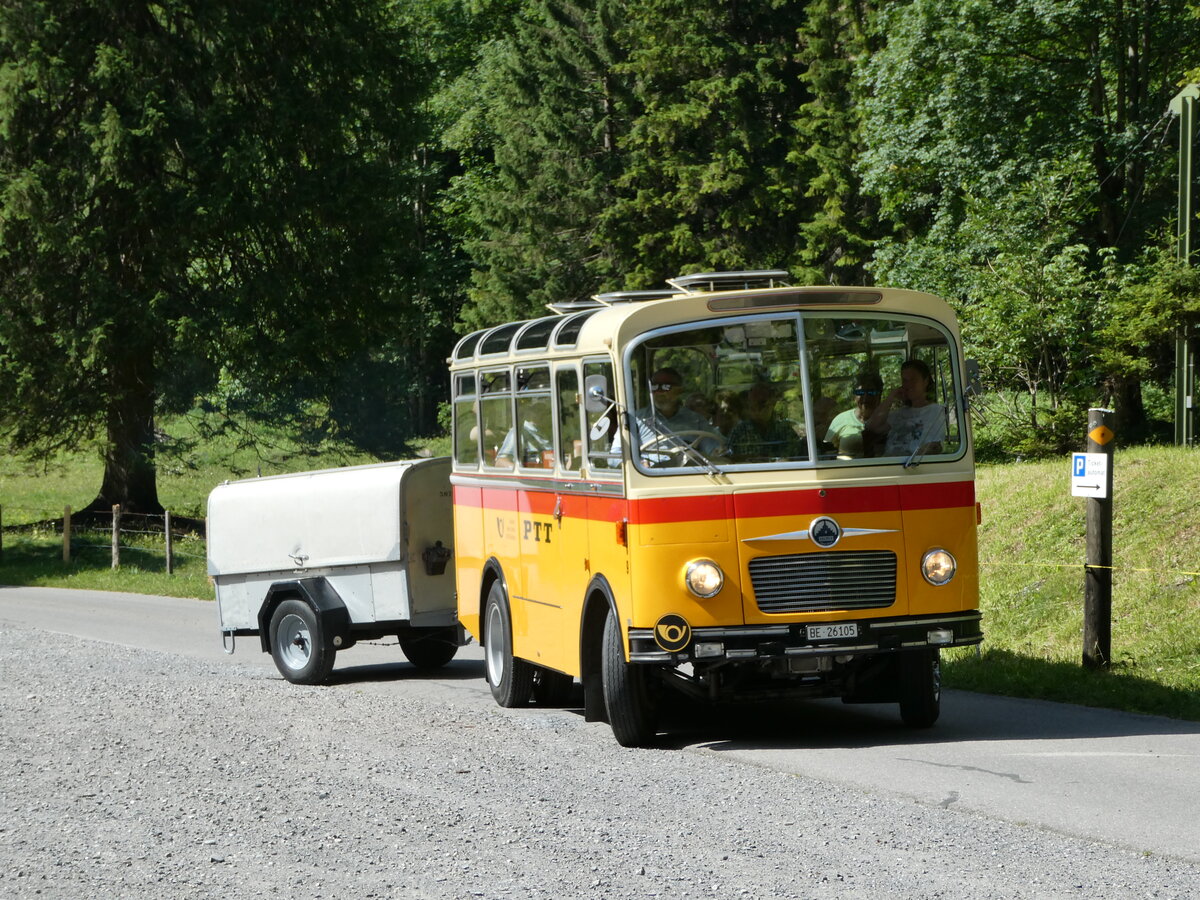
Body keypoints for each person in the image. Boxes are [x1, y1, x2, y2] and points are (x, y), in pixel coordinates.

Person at [865, 359, 946, 457]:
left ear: (925, 381)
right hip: (887, 465)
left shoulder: (935, 411)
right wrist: (891, 396)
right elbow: (872, 426)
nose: (908, 384)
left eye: (913, 379)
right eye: (905, 380)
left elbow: (932, 447)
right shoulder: (899, 413)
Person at [727, 382, 803, 462]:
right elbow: (728, 458)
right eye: (752, 404)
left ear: (772, 403)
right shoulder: (739, 432)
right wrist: (751, 458)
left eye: (761, 403)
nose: (756, 408)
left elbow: (796, 456)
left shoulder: (785, 430)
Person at [824, 371, 883, 458]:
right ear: (854, 396)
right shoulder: (841, 419)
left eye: (871, 392)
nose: (865, 397)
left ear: (879, 395)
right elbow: (827, 452)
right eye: (860, 393)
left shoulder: (889, 420)